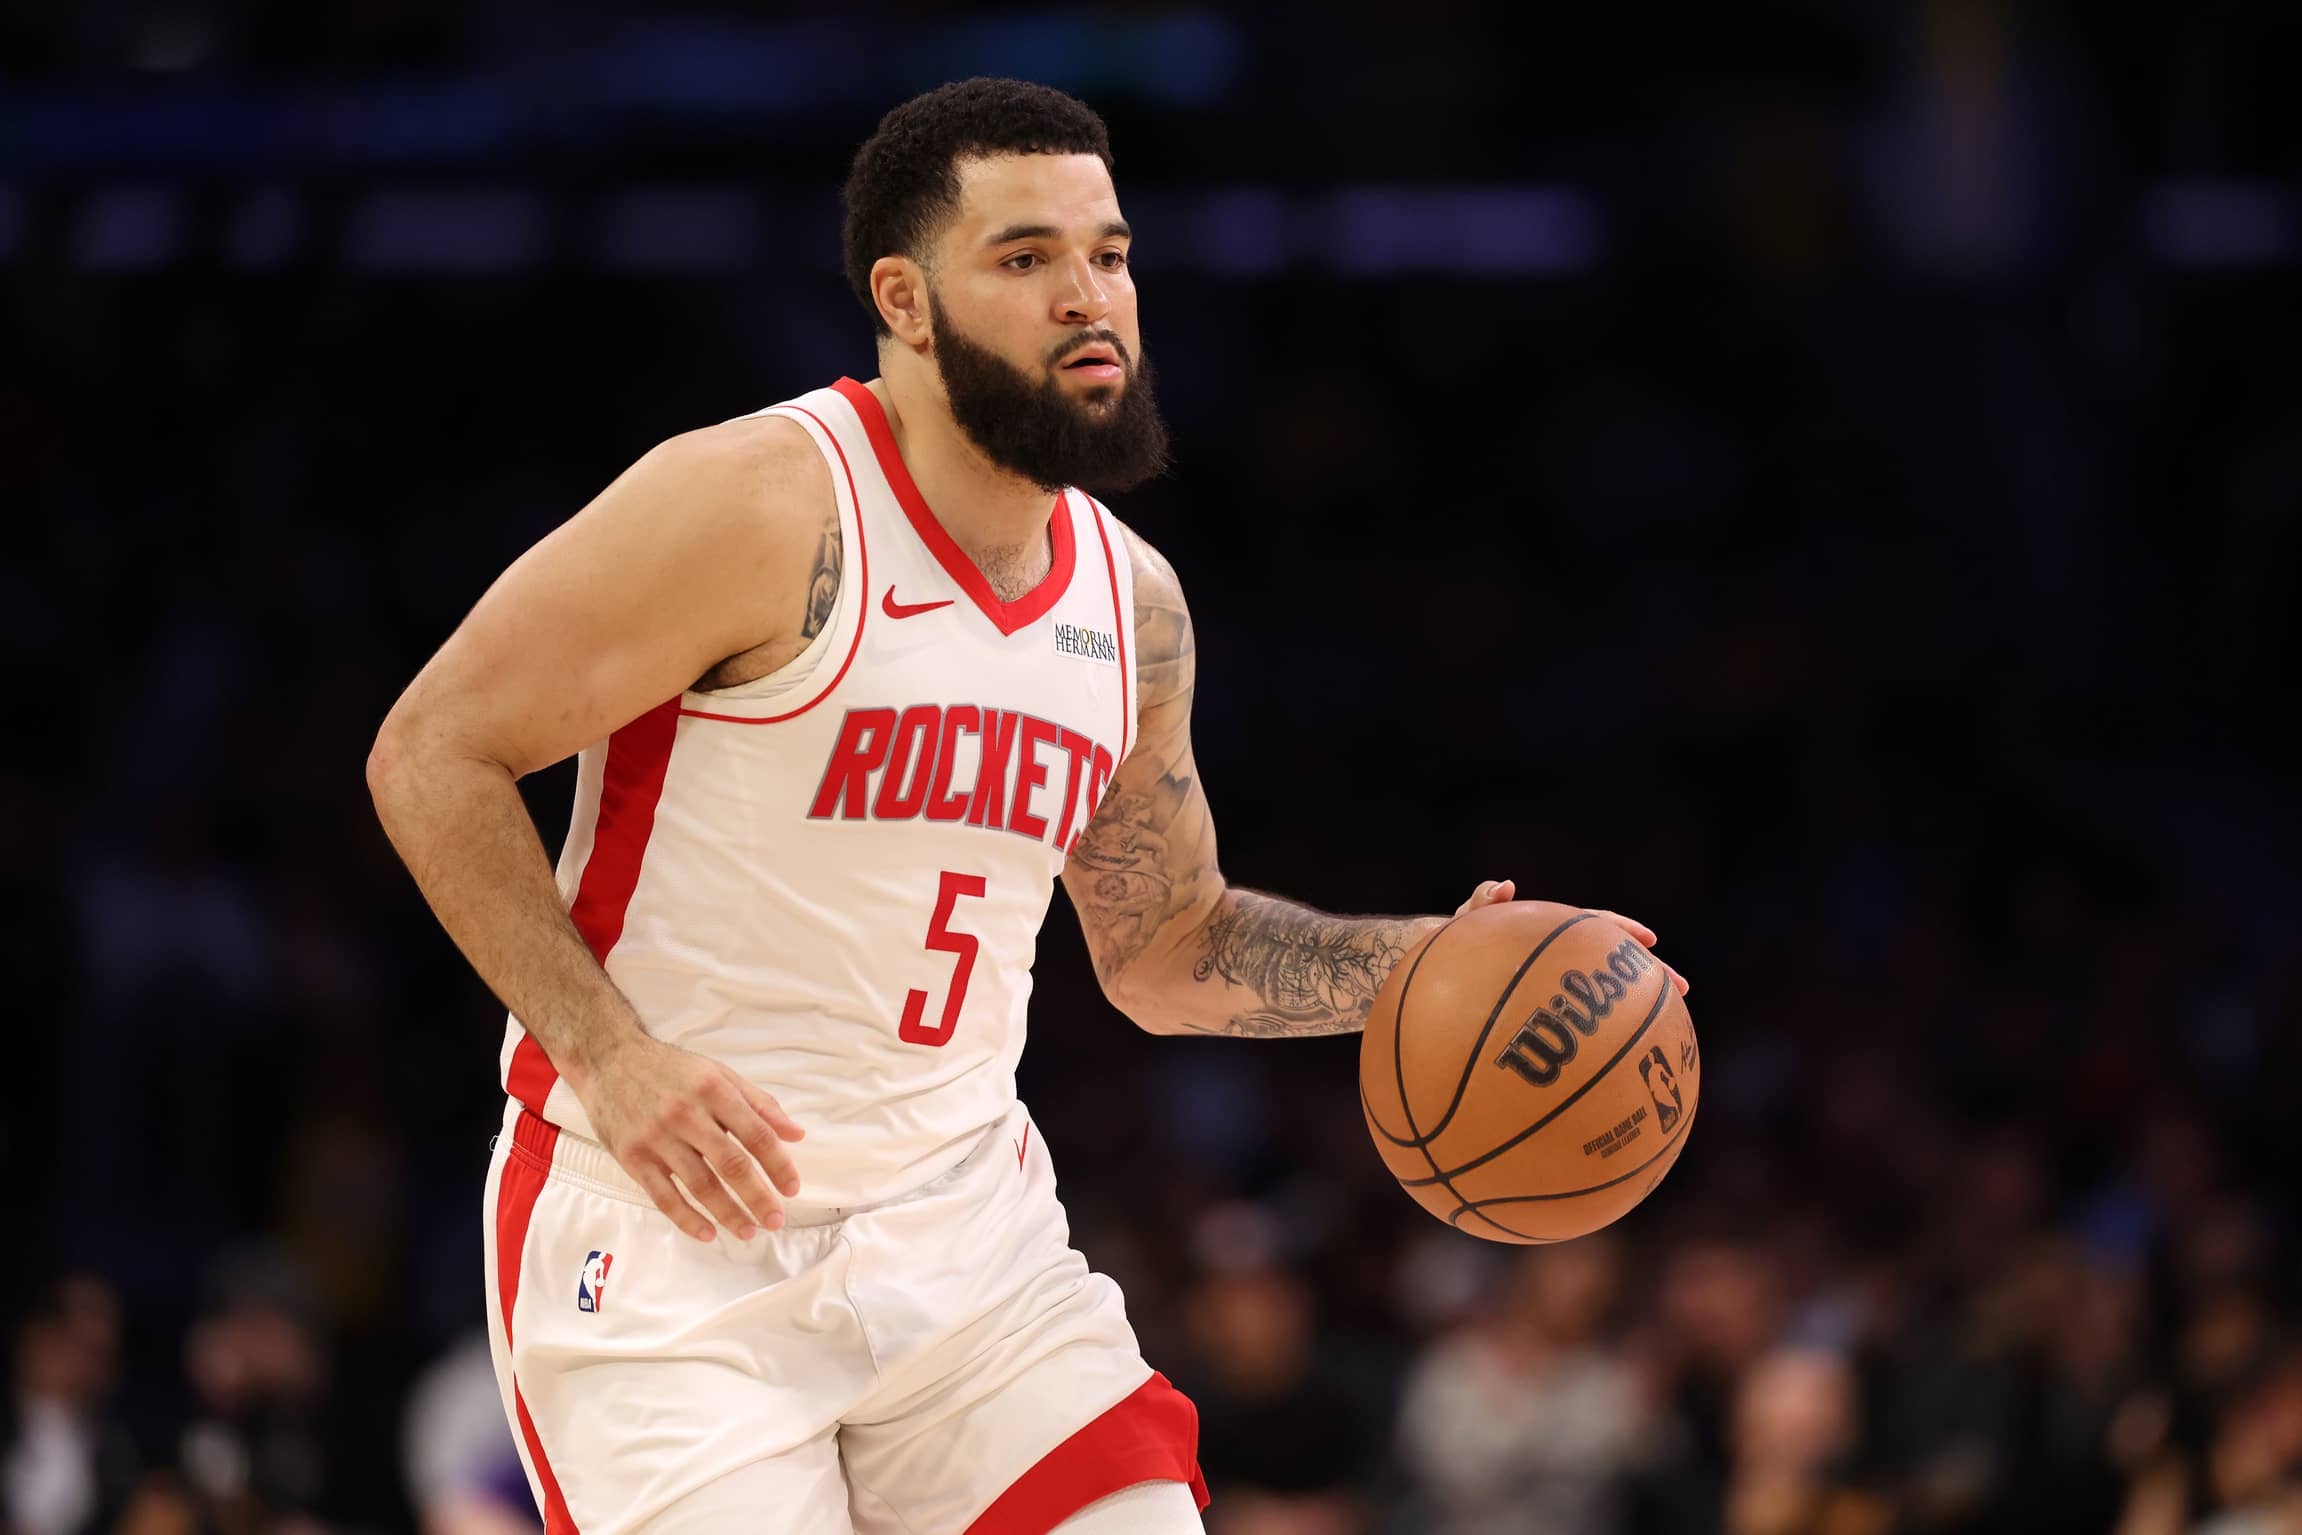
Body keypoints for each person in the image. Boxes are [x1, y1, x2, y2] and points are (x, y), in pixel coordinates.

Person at [367, 76, 1683, 1535]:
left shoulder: (1133, 604)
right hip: (671, 1245)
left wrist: (1424, 967)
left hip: (961, 1244)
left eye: (1108, 253)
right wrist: (606, 1053)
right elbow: (431, 753)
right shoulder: (758, 505)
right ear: (905, 299)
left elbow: (1165, 944)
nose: (1087, 296)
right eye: (1025, 257)